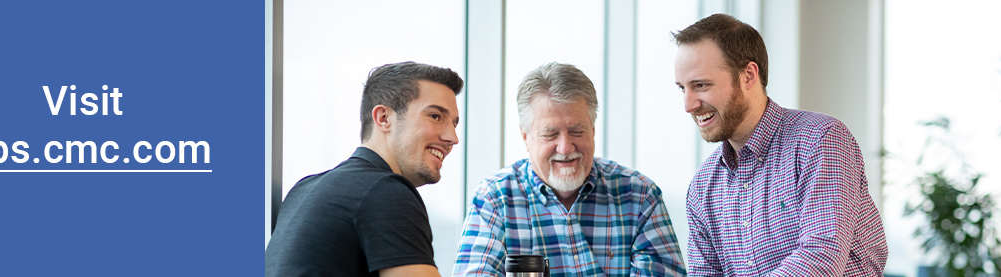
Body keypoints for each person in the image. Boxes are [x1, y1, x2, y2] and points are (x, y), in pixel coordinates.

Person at [674, 13, 889, 276]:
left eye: (701, 85)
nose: (688, 105)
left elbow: (821, 259)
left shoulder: (820, 141)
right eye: (682, 88)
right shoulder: (702, 187)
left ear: (749, 76)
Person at [454, 62, 686, 276]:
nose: (565, 148)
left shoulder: (640, 195)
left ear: (593, 130)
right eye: (550, 134)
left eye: (577, 131)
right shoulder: (494, 200)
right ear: (525, 137)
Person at [265, 61, 463, 277]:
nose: (452, 138)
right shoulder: (385, 191)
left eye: (454, 124)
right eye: (435, 116)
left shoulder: (302, 191)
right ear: (384, 118)